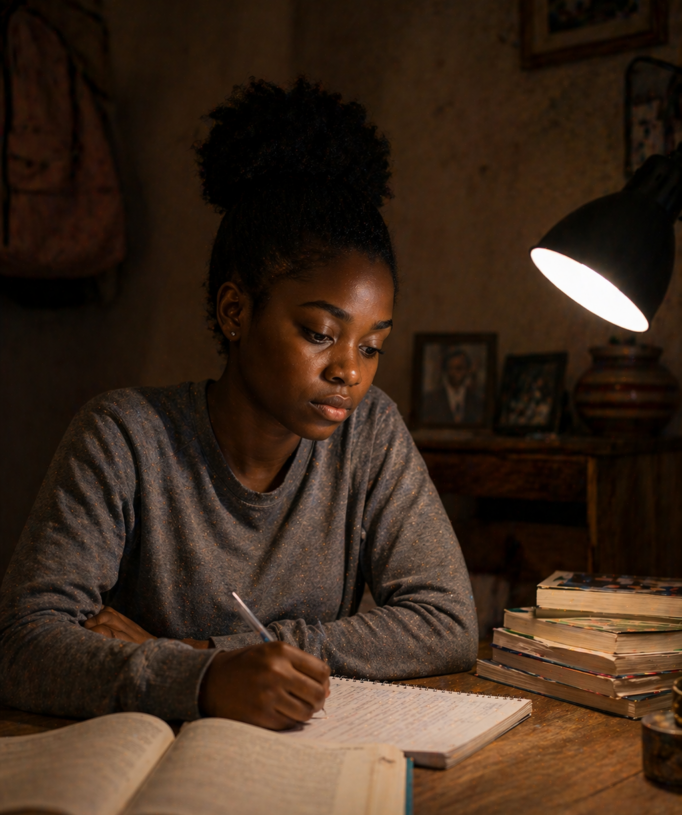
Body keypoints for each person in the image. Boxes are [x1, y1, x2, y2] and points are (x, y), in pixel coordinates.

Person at [0, 79, 477, 730]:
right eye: (319, 333)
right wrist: (202, 684)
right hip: (137, 764)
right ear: (235, 311)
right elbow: (22, 642)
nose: (349, 372)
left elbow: (446, 623)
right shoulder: (124, 436)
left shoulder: (369, 433)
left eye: (373, 347)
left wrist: (204, 658)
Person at [422, 347, 484, 425]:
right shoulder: (430, 400)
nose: (454, 373)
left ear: (467, 370)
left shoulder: (478, 402)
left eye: (459, 368)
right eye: (450, 368)